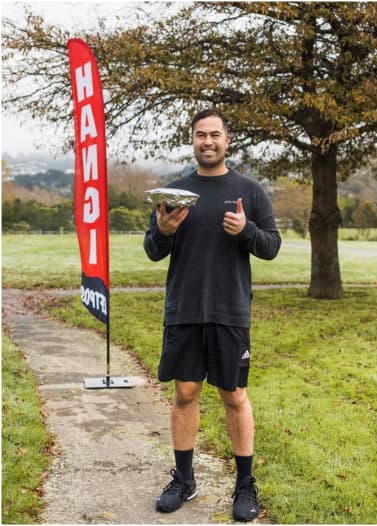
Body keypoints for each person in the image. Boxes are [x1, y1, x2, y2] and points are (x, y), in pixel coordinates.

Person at [143, 109, 281, 521]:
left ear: (227, 140)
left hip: (230, 310)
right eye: (201, 135)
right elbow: (152, 250)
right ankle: (184, 480)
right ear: (192, 139)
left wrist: (246, 231)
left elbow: (271, 246)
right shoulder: (175, 192)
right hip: (183, 309)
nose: (208, 141)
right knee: (185, 393)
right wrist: (163, 230)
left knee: (233, 396)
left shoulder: (249, 191)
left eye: (215, 134)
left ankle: (244, 486)